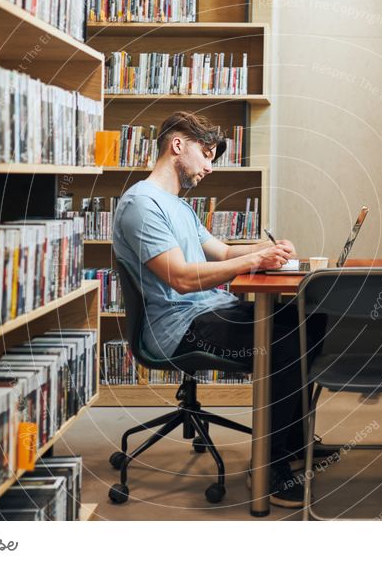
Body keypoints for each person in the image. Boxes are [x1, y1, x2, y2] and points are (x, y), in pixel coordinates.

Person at [113, 111, 323, 508]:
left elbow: (223, 252)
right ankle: (269, 465)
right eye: (206, 154)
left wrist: (267, 252)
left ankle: (292, 441)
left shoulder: (179, 207)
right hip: (179, 325)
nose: (210, 166)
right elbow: (181, 278)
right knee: (282, 341)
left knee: (308, 316)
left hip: (210, 309)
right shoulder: (142, 205)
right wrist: (251, 264)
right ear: (178, 146)